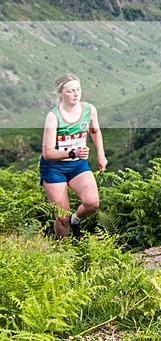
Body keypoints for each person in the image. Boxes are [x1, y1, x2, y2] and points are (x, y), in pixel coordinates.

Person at [40, 73, 107, 239]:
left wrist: (101, 154)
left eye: (78, 89)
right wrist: (72, 153)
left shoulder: (89, 110)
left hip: (78, 164)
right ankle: (65, 253)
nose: (76, 94)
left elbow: (95, 130)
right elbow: (47, 153)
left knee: (92, 203)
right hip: (54, 168)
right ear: (61, 94)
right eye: (70, 91)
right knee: (62, 217)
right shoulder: (54, 117)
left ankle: (75, 220)